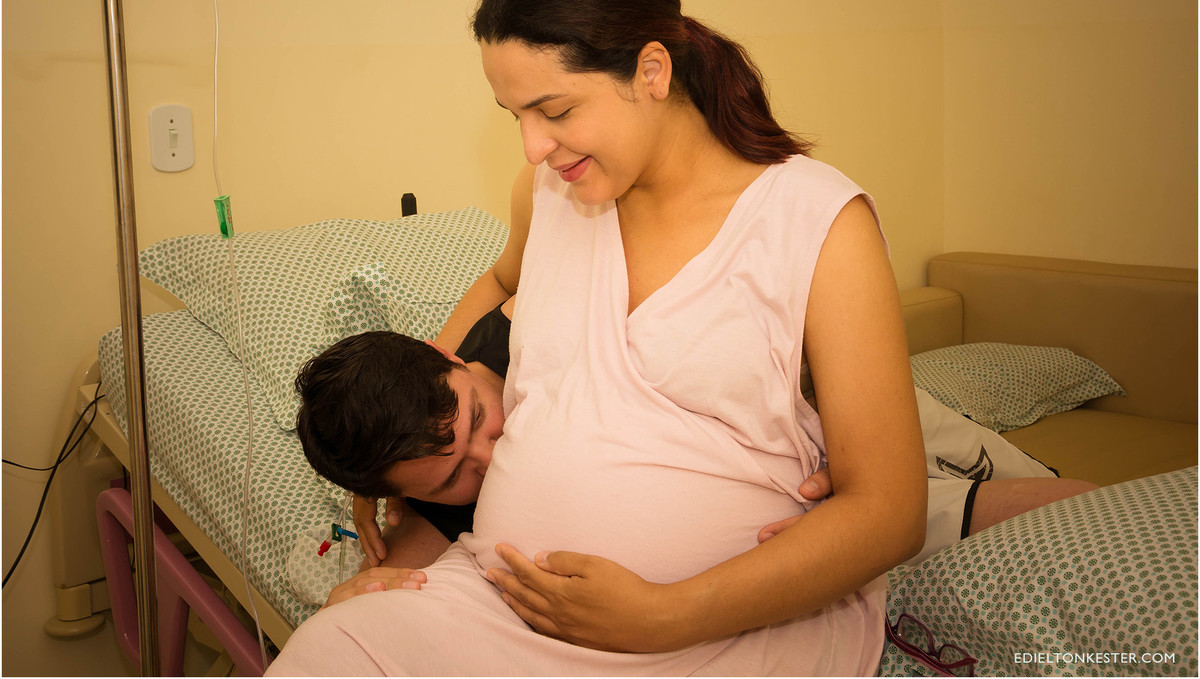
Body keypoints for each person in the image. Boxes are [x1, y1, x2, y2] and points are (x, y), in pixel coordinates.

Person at [265, 0, 1057, 675]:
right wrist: (409, 418)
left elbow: (887, 509)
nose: (534, 146)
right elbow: (503, 281)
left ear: (651, 71)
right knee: (329, 649)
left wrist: (664, 614)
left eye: (555, 109)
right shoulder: (545, 193)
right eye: (515, 116)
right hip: (502, 602)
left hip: (717, 629)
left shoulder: (815, 224)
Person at [297, 300, 1093, 576]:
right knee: (1056, 514)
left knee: (1061, 491)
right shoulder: (427, 503)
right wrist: (357, 574)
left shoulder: (526, 328)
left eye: (477, 418)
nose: (488, 455)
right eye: (449, 478)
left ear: (453, 359)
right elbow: (381, 592)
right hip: (789, 518)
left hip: (807, 406)